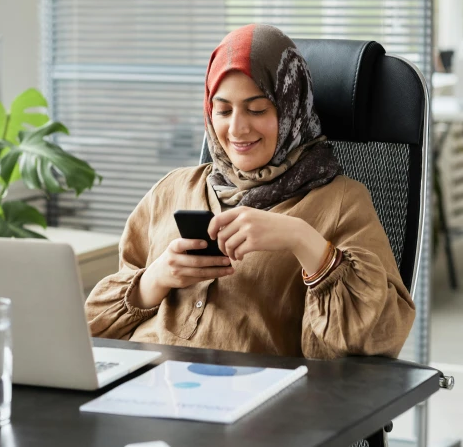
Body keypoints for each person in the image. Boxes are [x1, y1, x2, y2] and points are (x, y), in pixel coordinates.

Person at [85, 24, 415, 359]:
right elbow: (93, 326)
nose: (238, 128)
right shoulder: (171, 189)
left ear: (290, 109)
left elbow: (377, 339)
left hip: (254, 398)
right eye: (223, 110)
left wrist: (302, 240)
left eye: (257, 109)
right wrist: (156, 279)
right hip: (146, 385)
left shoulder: (342, 202)